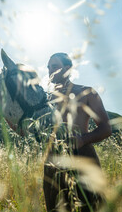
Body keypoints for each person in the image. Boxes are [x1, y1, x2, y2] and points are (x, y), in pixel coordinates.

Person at [43, 53, 112, 212]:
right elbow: (28, 132)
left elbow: (106, 128)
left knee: (92, 208)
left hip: (84, 158)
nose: (49, 70)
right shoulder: (45, 101)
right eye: (48, 67)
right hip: (52, 164)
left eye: (54, 66)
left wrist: (83, 139)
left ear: (67, 69)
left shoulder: (87, 92)